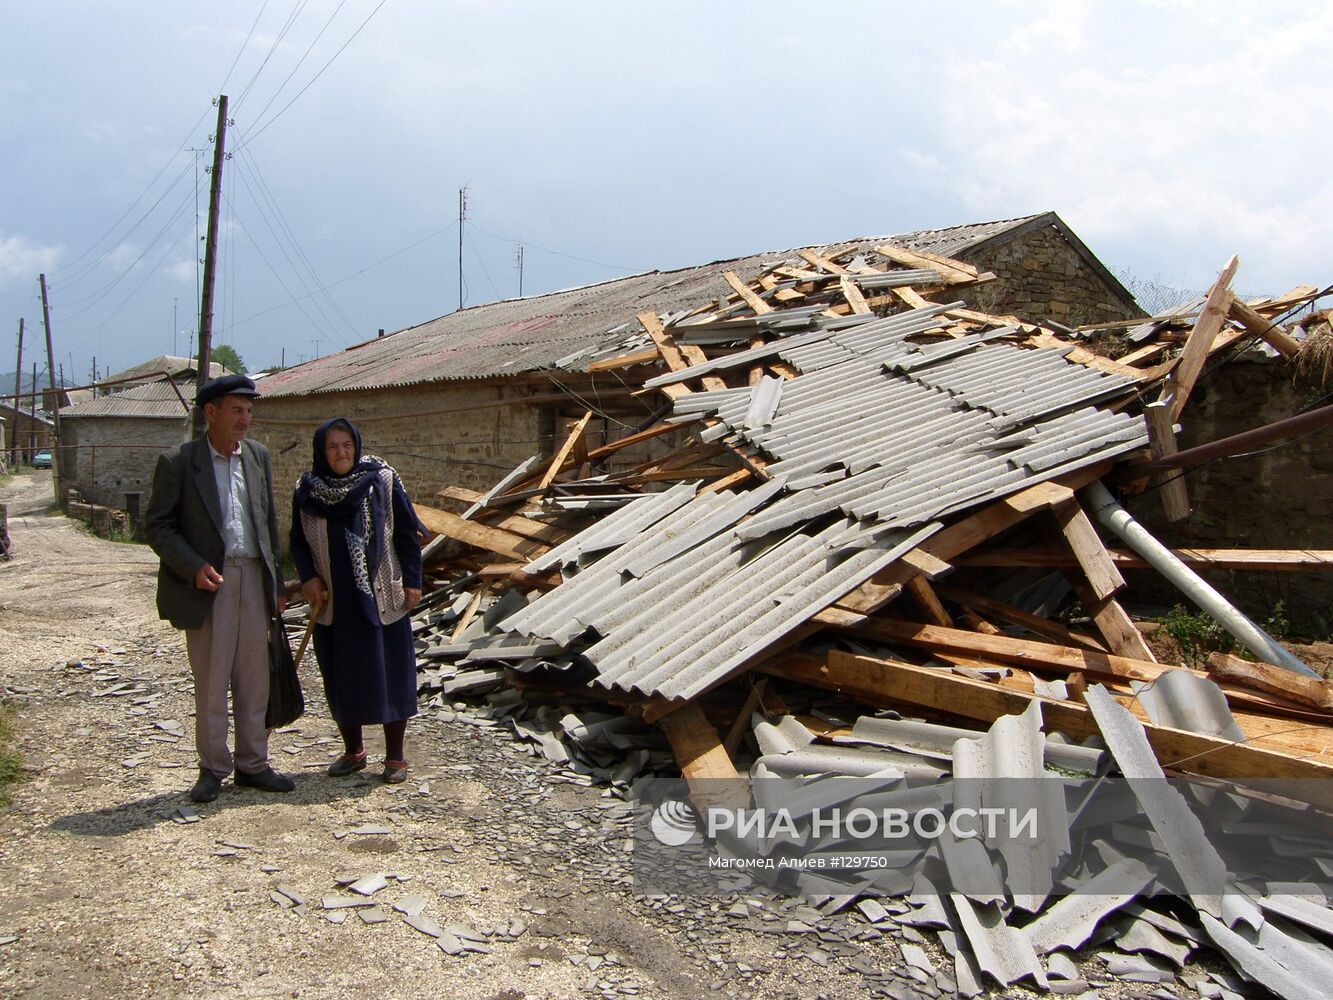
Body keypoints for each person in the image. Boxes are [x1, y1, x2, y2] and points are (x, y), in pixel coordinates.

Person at [144, 374, 294, 804]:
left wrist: (274, 583)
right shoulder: (179, 462)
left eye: (249, 411)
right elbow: (158, 526)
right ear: (211, 413)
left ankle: (253, 764)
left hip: (253, 576)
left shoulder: (258, 457)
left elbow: (266, 523)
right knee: (212, 680)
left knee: (255, 677)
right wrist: (192, 568)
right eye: (236, 410)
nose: (245, 420)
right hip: (209, 582)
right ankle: (212, 767)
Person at [289, 418, 423, 783]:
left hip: (381, 595)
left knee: (391, 674)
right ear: (321, 451)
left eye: (347, 444)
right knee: (341, 676)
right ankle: (353, 751)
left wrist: (413, 581)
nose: (341, 453)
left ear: (357, 445)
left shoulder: (381, 479)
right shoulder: (307, 489)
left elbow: (407, 533)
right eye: (333, 446)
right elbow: (298, 541)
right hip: (335, 599)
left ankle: (395, 757)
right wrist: (309, 578)